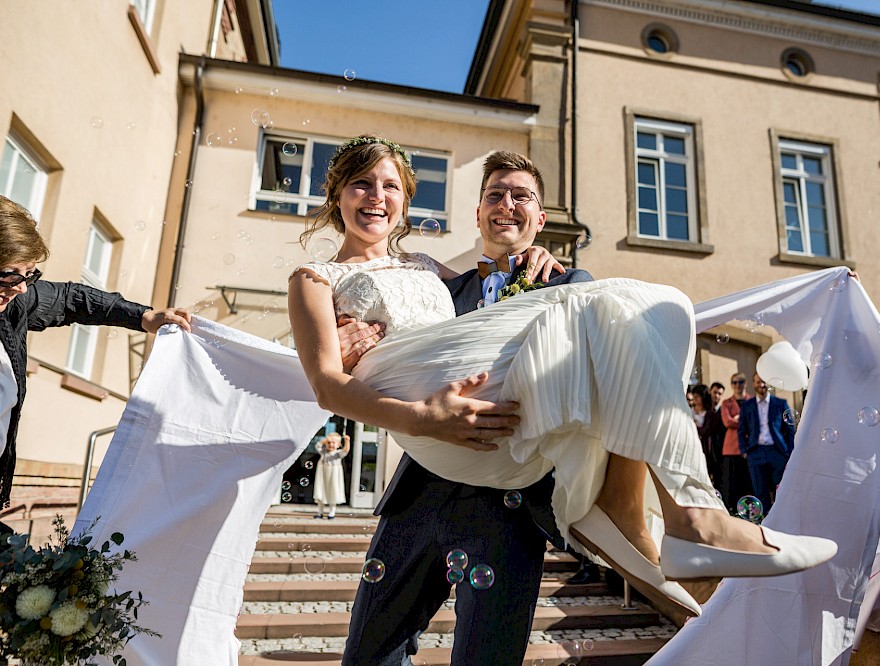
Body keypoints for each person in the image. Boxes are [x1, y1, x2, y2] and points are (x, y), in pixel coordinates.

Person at [286, 136, 836, 665]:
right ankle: (682, 519)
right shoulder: (437, 284)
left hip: (511, 492)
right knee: (371, 652)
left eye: (521, 197)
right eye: (495, 196)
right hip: (422, 490)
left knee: (661, 305)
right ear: (476, 215)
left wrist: (542, 268)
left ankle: (675, 512)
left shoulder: (562, 283)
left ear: (540, 220)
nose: (506, 207)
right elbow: (326, 367)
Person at [0, 196, 190, 535]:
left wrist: (143, 316)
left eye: (29, 274)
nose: (20, 288)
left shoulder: (14, 308)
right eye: (9, 274)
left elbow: (73, 299)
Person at [737, 373, 795, 515]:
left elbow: (790, 430)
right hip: (755, 452)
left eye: (763, 382)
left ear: (768, 384)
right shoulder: (747, 405)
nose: (761, 385)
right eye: (758, 382)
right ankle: (765, 523)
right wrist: (744, 451)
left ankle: (780, 519)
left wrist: (789, 452)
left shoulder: (780, 403)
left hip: (777, 452)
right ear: (753, 383)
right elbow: (741, 430)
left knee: (780, 490)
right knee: (760, 492)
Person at [719, 372, 753, 511]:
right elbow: (727, 421)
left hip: (748, 448)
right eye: (734, 382)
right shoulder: (726, 403)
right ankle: (731, 510)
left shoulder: (752, 401)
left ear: (745, 384)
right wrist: (743, 421)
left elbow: (755, 423)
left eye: (740, 382)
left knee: (747, 483)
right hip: (731, 448)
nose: (737, 385)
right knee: (730, 483)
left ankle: (748, 510)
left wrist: (738, 419)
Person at [313, 430, 349, 519]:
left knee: (333, 492)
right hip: (323, 475)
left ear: (338, 444)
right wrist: (325, 440)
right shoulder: (323, 451)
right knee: (321, 492)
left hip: (334, 476)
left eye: (334, 443)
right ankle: (319, 512)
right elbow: (317, 446)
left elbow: (346, 450)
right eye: (329, 442)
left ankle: (332, 512)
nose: (331, 444)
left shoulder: (338, 453)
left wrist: (347, 441)